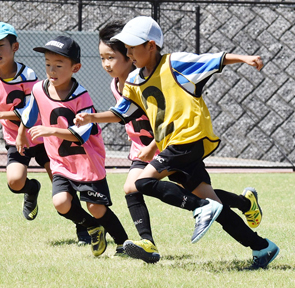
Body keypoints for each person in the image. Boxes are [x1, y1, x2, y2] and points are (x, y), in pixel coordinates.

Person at [75, 16, 279, 268]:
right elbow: (121, 112)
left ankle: (198, 207)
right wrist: (92, 117)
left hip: (189, 139)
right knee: (216, 206)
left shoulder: (176, 62)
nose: (128, 53)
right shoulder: (135, 81)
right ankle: (262, 247)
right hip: (175, 146)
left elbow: (214, 59)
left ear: (151, 45)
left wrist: (245, 59)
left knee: (142, 183)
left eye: (132, 47)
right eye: (125, 48)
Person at [0, 22, 90, 244]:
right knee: (15, 182)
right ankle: (32, 188)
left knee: (59, 183)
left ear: (14, 47)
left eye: (0, 46)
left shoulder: (28, 75)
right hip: (14, 141)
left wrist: (2, 115)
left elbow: (32, 112)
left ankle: (83, 227)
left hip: (40, 138)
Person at [15, 35, 129, 256]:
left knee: (96, 207)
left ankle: (123, 243)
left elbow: (79, 135)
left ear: (75, 67)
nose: (52, 70)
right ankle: (92, 227)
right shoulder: (39, 89)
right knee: (61, 203)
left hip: (87, 164)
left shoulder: (82, 96)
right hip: (60, 162)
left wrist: (50, 130)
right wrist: (21, 135)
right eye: (48, 64)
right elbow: (29, 115)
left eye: (58, 65)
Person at [98, 21, 160, 263]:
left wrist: (153, 145)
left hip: (165, 146)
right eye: (102, 58)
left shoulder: (143, 82)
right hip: (140, 151)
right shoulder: (115, 85)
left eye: (111, 57)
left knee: (201, 195)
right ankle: (148, 244)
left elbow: (164, 120)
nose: (106, 64)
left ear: (129, 55)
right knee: (131, 188)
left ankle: (243, 202)